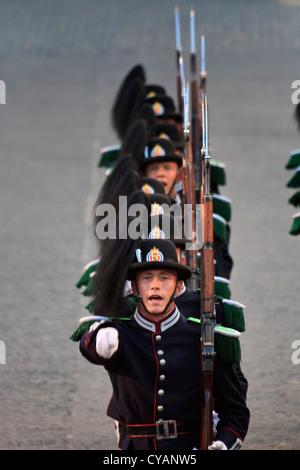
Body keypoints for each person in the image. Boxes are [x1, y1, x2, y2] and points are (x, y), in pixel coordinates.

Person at [79, 238, 249, 451]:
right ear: (134, 287)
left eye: (164, 278)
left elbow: (235, 411)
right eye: (146, 278)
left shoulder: (202, 338)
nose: (155, 285)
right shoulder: (118, 335)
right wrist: (99, 340)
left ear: (179, 287)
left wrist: (225, 443)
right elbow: (90, 345)